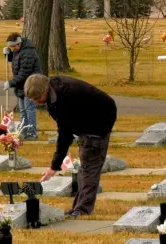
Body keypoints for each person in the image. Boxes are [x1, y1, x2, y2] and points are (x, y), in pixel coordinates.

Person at [25, 74, 117, 218]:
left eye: (37, 98)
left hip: (100, 120)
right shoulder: (54, 92)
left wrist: (54, 167)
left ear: (45, 91)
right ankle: (78, 207)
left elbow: (64, 134)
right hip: (87, 119)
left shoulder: (65, 97)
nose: (35, 102)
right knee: (85, 166)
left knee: (90, 166)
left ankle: (83, 210)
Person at [3, 33, 40, 139]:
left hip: (31, 84)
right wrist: (8, 54)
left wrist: (11, 83)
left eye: (14, 46)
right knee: (23, 110)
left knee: (29, 109)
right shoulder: (18, 50)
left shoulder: (29, 52)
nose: (13, 48)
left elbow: (24, 73)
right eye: (11, 47)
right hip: (21, 85)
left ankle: (32, 133)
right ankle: (24, 131)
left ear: (19, 43)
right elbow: (16, 60)